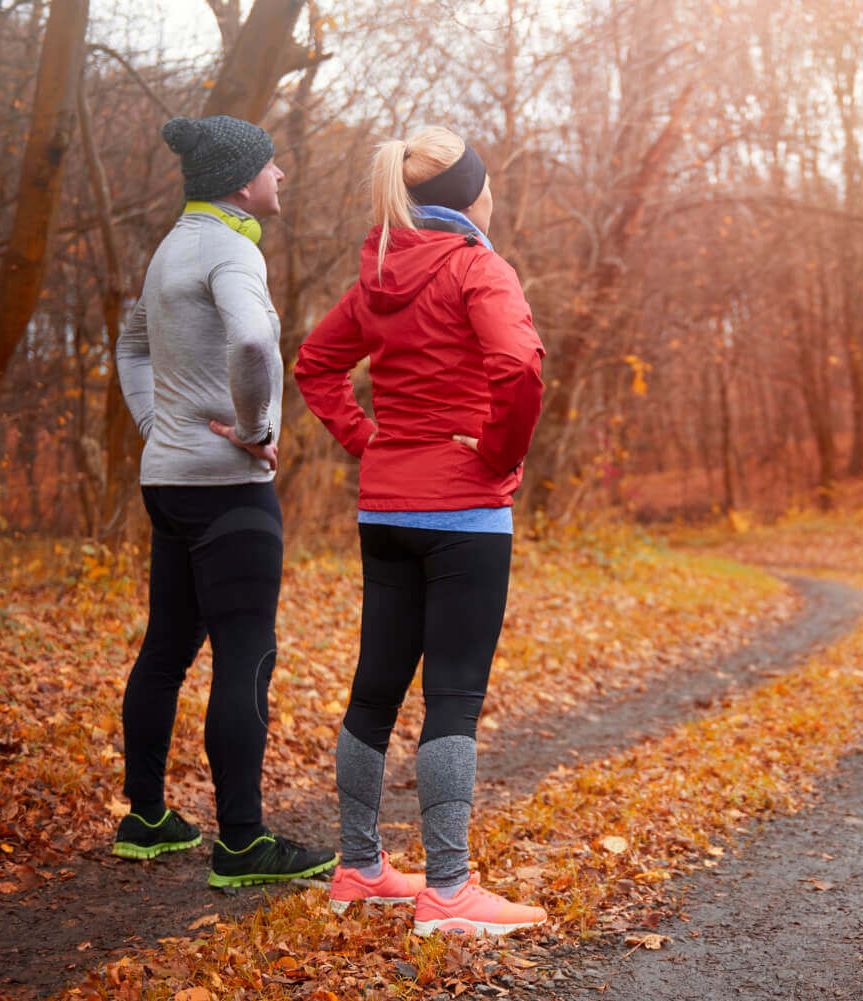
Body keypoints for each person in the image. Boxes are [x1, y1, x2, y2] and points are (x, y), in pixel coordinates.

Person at [294, 126, 546, 936]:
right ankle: (446, 889)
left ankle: (360, 867)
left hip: (387, 510)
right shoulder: (478, 266)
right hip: (465, 513)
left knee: (375, 688)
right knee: (454, 695)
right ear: (472, 195)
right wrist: (500, 457)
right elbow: (520, 366)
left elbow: (316, 364)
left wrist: (373, 444)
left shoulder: (380, 271)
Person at [113, 114, 336, 890]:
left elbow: (131, 346)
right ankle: (242, 843)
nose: (281, 178)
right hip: (227, 489)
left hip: (167, 480)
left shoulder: (171, 247)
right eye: (273, 167)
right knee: (245, 655)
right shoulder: (233, 250)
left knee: (167, 647)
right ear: (243, 180)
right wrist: (254, 429)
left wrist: (156, 425)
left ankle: (145, 817)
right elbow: (251, 344)